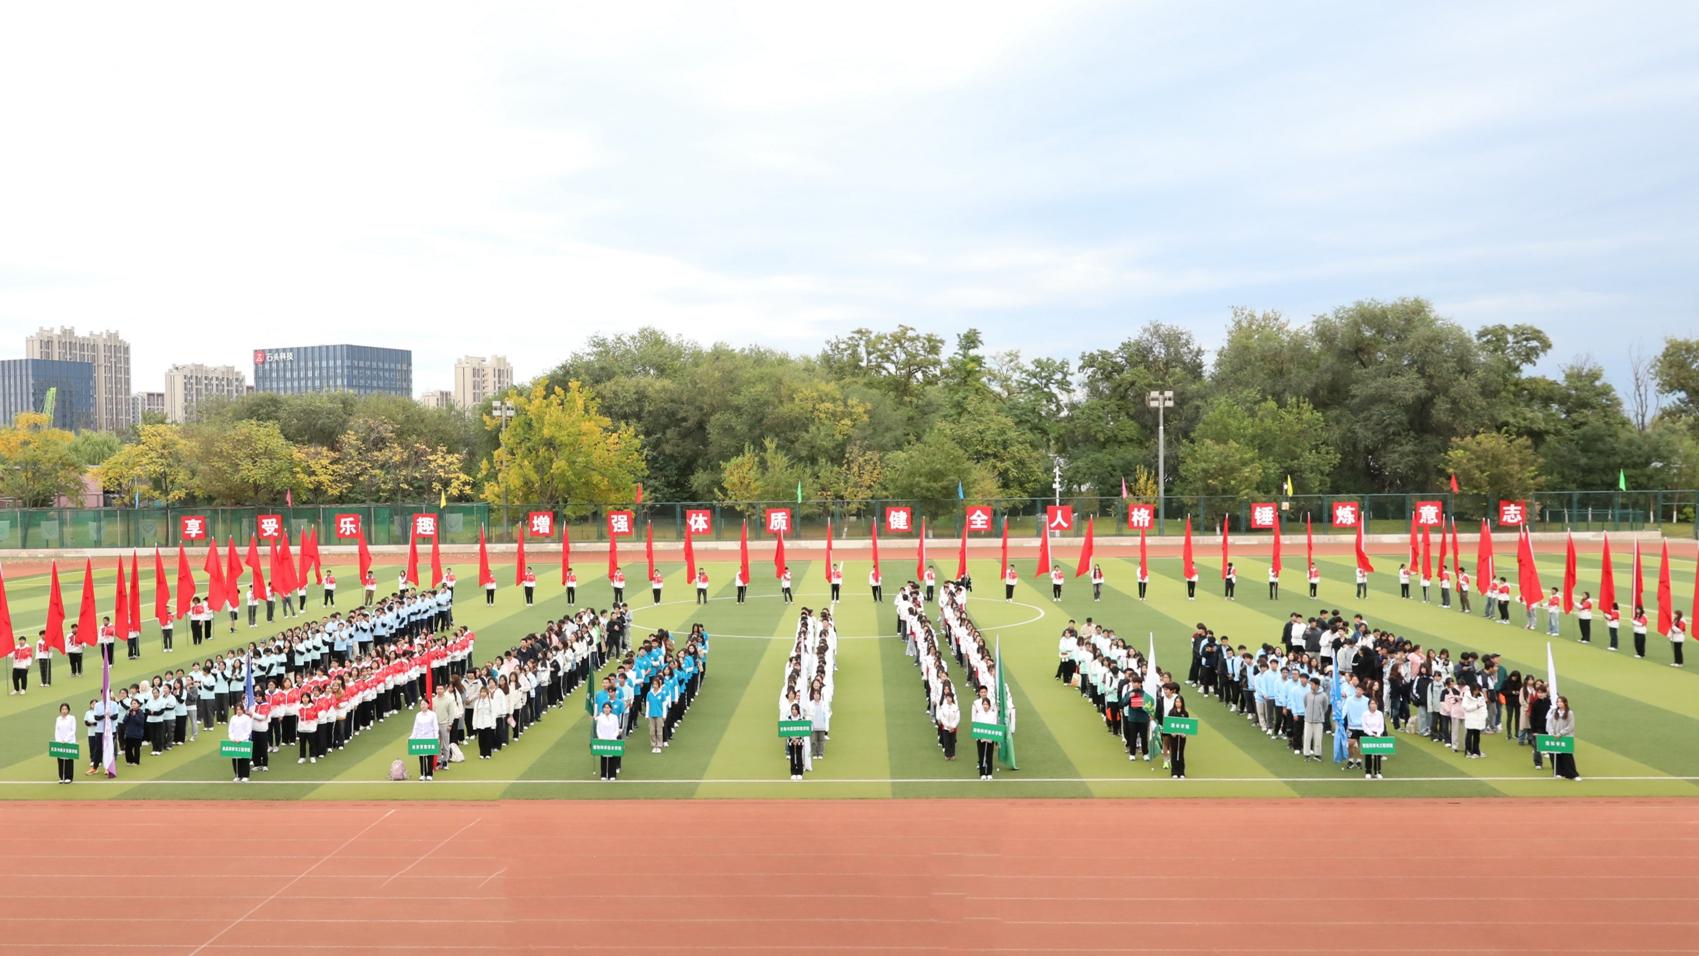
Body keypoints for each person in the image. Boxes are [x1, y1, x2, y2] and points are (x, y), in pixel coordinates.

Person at [1547, 696, 1580, 780]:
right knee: (1556, 754)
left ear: (1565, 703)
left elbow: (1571, 726)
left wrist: (1561, 733)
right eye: (1558, 702)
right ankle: (1558, 772)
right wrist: (1552, 732)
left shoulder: (1569, 713)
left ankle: (1572, 774)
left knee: (1567, 756)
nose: (1559, 703)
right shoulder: (1554, 711)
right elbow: (1550, 723)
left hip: (1566, 737)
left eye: (1561, 702)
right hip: (1555, 736)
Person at [971, 686, 998, 781]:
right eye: (984, 704)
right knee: (981, 755)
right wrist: (980, 735)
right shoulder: (979, 714)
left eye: (987, 704)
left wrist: (991, 736)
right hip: (981, 737)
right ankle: (982, 773)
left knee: (989, 755)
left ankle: (989, 773)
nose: (985, 706)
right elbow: (977, 724)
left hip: (990, 737)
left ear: (989, 705)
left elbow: (994, 724)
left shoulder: (993, 714)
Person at [410, 698, 438, 781]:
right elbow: (416, 727)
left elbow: (435, 727)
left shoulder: (432, 714)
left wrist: (436, 737)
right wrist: (412, 737)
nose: (423, 706)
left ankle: (429, 774)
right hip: (420, 738)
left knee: (430, 757)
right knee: (421, 757)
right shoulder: (418, 715)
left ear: (428, 705)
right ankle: (423, 774)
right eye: (421, 704)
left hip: (430, 737)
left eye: (424, 704)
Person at [228, 703, 253, 783]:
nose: (238, 711)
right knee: (235, 759)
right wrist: (232, 738)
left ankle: (245, 775)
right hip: (234, 742)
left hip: (244, 742)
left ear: (243, 710)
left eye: (240, 709)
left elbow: (248, 731)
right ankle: (238, 775)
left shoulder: (247, 718)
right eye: (237, 709)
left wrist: (241, 739)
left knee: (244, 759)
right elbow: (230, 730)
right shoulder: (233, 718)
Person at [1167, 693, 1189, 779]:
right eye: (1176, 702)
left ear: (1182, 703)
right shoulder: (1172, 712)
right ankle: (1174, 772)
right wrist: (1172, 733)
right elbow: (1168, 725)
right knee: (1174, 753)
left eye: (1179, 702)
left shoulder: (1185, 713)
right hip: (1173, 737)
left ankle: (1181, 772)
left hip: (1182, 737)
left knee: (1181, 753)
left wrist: (1185, 733)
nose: (1178, 703)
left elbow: (1188, 725)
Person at [1361, 698, 1385, 779]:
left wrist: (1378, 734)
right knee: (1368, 753)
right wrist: (1371, 734)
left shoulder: (1379, 714)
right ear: (1369, 705)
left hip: (1378, 735)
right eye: (1371, 703)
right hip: (1368, 734)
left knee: (1377, 754)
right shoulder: (1365, 714)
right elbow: (1364, 726)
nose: (1373, 705)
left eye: (1374, 703)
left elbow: (1381, 726)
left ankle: (1377, 772)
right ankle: (1368, 771)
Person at [53, 703, 77, 784]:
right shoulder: (58, 719)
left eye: (65, 709)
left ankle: (69, 777)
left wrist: (66, 739)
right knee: (60, 759)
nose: (64, 711)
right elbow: (57, 730)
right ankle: (61, 777)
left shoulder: (72, 718)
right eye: (62, 709)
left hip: (69, 741)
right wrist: (58, 740)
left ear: (68, 710)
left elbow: (73, 730)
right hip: (60, 741)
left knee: (69, 759)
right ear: (60, 710)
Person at [936, 687, 959, 761]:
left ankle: (952, 754)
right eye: (947, 697)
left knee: (952, 741)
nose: (949, 699)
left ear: (952, 698)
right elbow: (942, 717)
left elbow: (957, 718)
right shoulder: (943, 707)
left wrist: (953, 726)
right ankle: (947, 755)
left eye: (950, 697)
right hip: (945, 727)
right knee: (946, 741)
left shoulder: (955, 707)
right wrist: (947, 725)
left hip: (953, 727)